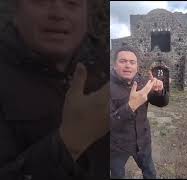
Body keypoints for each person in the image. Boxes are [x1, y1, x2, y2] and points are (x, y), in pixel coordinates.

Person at [0, 0, 108, 179]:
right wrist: (69, 143)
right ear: (15, 10)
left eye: (72, 3)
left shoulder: (106, 65)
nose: (58, 13)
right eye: (41, 1)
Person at [110, 46, 169, 179]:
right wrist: (131, 106)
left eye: (132, 62)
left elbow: (162, 103)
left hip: (143, 141)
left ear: (137, 66)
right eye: (123, 61)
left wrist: (160, 91)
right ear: (114, 65)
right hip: (116, 145)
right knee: (117, 175)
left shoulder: (143, 82)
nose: (128, 65)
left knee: (150, 173)